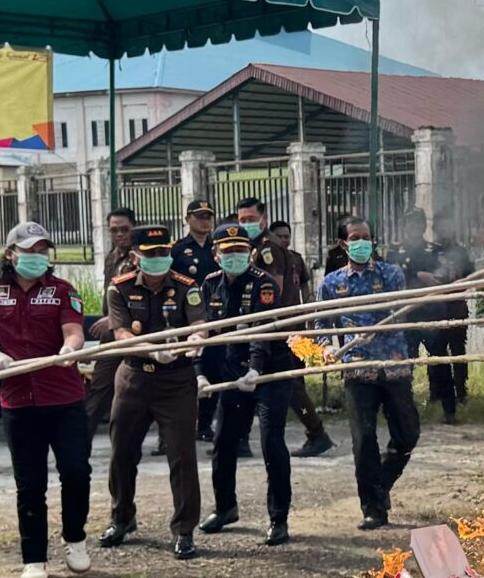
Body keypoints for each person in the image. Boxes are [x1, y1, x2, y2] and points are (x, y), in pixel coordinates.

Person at [0, 222, 93, 578]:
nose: (37, 257)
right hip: (18, 400)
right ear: (11, 254)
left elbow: (74, 329)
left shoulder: (62, 291)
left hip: (63, 395)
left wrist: (70, 349)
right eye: (29, 250)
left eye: (42, 251)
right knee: (30, 482)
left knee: (76, 470)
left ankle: (75, 538)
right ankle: (34, 556)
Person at [100, 224, 203, 558]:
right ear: (135, 256)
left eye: (163, 253)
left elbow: (200, 325)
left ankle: (184, 530)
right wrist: (151, 349)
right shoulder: (120, 288)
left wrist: (197, 341)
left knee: (182, 456)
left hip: (177, 381)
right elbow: (121, 335)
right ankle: (122, 517)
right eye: (151, 254)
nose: (159, 259)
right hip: (134, 379)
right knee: (122, 453)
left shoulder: (187, 287)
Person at [315, 218, 416, 530]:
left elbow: (401, 310)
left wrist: (380, 325)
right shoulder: (331, 282)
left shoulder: (391, 273)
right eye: (355, 238)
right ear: (344, 244)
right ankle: (372, 508)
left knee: (408, 434)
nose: (362, 242)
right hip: (358, 370)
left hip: (394, 366)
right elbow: (322, 323)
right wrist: (326, 349)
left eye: (367, 237)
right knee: (364, 440)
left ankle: (381, 483)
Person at [199, 227, 293, 544]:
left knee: (271, 443)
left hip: (268, 373)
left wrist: (255, 369)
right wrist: (199, 372)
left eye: (241, 250)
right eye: (227, 251)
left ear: (250, 253)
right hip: (232, 373)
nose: (234, 256)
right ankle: (225, 508)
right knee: (224, 441)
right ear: (216, 255)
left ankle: (278, 518)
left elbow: (260, 332)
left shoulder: (263, 283)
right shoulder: (211, 285)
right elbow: (204, 335)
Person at [392, 208, 477, 424]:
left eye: (419, 223)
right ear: (404, 226)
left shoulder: (435, 250)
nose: (415, 227)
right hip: (406, 314)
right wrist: (416, 275)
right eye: (411, 223)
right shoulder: (394, 252)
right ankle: (402, 411)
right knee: (405, 365)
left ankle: (450, 411)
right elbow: (391, 278)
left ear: (424, 226)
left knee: (440, 361)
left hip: (432, 314)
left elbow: (447, 276)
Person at [263, 220, 334, 457]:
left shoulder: (294, 258)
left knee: (294, 382)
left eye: (287, 235)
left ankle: (316, 432)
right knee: (286, 383)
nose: (284, 239)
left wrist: (308, 314)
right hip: (278, 327)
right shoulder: (268, 255)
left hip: (291, 329)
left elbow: (304, 288)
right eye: (279, 236)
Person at [85, 206, 139, 427]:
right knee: (100, 386)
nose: (119, 235)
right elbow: (110, 294)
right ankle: (81, 444)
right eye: (114, 230)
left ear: (134, 228)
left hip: (137, 330)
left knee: (150, 387)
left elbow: (145, 297)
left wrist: (115, 319)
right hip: (111, 334)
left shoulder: (144, 257)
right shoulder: (111, 258)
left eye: (124, 229)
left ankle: (164, 440)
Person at [172, 198, 219, 283]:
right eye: (200, 217)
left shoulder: (218, 246)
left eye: (208, 217)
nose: (205, 222)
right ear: (187, 219)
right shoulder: (177, 249)